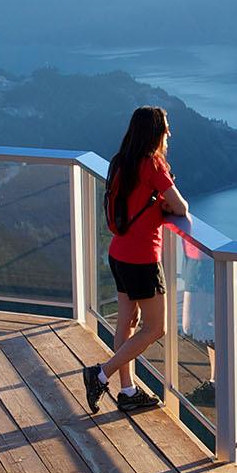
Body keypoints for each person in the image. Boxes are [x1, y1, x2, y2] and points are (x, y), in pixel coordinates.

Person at [81, 106, 189, 412]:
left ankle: (127, 391)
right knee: (156, 328)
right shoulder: (153, 164)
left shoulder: (120, 161)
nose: (169, 133)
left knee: (127, 323)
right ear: (155, 132)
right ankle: (101, 374)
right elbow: (181, 207)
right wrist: (166, 209)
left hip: (119, 253)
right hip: (142, 258)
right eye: (166, 128)